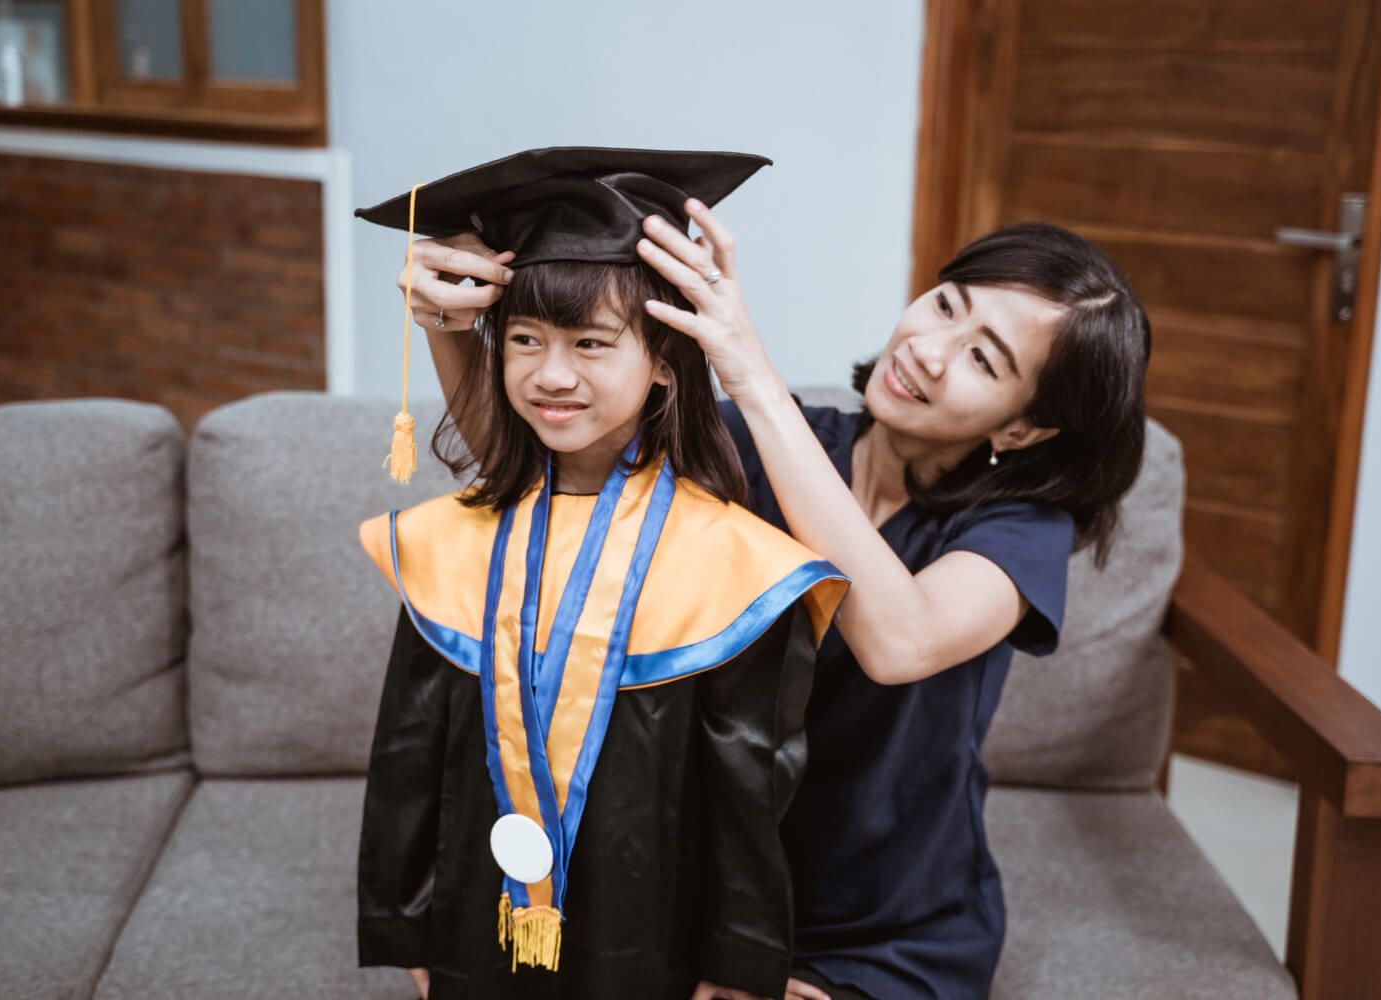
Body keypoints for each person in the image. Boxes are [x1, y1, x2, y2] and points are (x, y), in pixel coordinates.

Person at [406, 202, 1150, 999]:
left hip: (873, 927)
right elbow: (543, 478)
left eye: (984, 360)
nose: (929, 352)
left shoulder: (1019, 530)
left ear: (1029, 429)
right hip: (695, 890)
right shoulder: (780, 447)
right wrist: (451, 322)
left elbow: (902, 641)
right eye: (945, 306)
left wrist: (749, 374)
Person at [352, 147, 848, 1000]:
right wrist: (406, 921)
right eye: (524, 341)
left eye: (591, 343)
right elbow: (408, 752)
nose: (551, 374)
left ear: (663, 360)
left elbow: (747, 796)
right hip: (477, 911)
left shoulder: (730, 563)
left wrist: (735, 966)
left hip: (652, 928)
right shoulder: (452, 544)